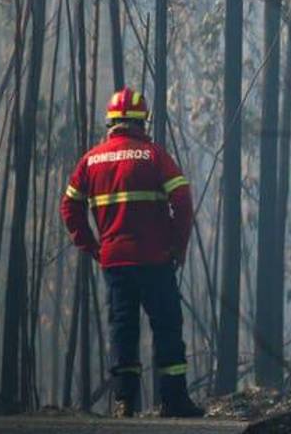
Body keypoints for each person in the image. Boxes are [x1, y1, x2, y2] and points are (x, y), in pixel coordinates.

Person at [60, 87, 204, 418]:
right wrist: (177, 247)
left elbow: (69, 206)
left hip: (116, 262)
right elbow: (182, 201)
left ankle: (125, 403)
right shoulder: (154, 156)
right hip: (155, 260)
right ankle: (174, 400)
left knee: (123, 329)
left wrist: (93, 246)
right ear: (143, 121)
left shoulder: (91, 160)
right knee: (167, 326)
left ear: (110, 122)